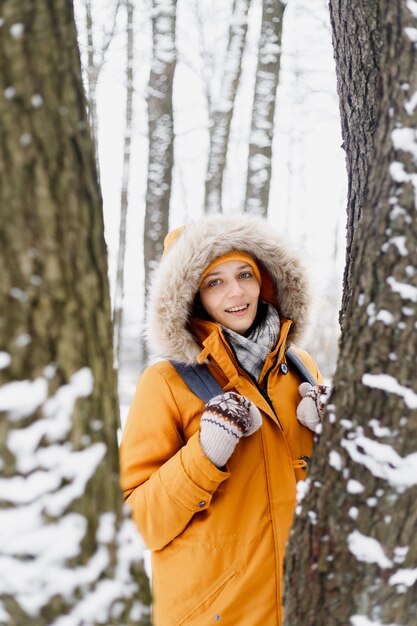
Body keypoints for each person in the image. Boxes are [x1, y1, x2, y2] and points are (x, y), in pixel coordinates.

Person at [119, 215, 326, 626]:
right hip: (215, 615)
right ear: (191, 296)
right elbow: (134, 526)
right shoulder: (166, 382)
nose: (236, 292)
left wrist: (333, 437)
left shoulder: (302, 370)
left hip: (305, 607)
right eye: (214, 281)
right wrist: (205, 454)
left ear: (264, 280)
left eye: (244, 274)